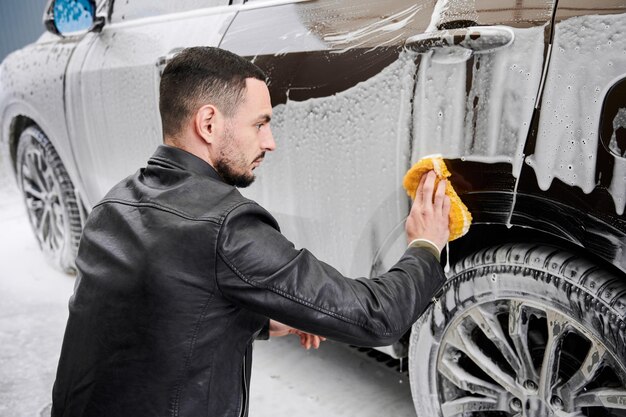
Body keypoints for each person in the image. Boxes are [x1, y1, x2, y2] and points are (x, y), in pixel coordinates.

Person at [51, 47, 450, 417]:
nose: (270, 142)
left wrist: (264, 320)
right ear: (208, 123)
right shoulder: (226, 225)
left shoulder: (112, 204)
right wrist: (426, 244)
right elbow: (376, 317)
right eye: (260, 124)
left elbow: (157, 310)